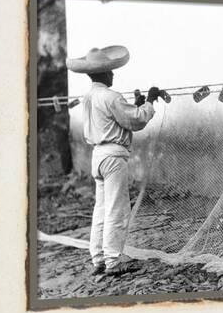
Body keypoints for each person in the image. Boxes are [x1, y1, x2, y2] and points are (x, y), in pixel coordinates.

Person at [66, 46, 160, 276]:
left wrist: (136, 103)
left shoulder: (87, 97)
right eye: (110, 71)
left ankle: (98, 257)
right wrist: (149, 102)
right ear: (105, 73)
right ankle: (113, 261)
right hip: (113, 156)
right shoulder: (111, 96)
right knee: (116, 210)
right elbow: (135, 121)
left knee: (101, 209)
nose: (113, 75)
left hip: (97, 155)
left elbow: (118, 118)